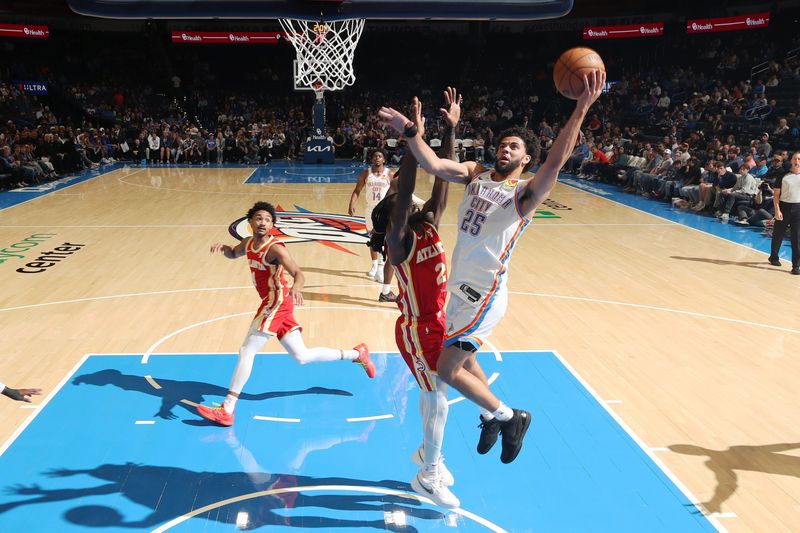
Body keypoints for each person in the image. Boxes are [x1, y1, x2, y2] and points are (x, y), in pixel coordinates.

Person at [379, 70, 605, 465]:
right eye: (502, 144)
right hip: (459, 289)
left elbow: (557, 158)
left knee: (447, 368)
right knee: (466, 361)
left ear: (526, 158)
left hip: (483, 293)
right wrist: (415, 131)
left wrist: (582, 108)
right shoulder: (474, 173)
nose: (505, 149)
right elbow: (432, 163)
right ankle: (491, 417)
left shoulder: (525, 193)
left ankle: (509, 416)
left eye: (514, 147)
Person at [196, 202, 375, 426]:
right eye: (259, 218)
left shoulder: (275, 248)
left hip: (277, 301)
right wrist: (224, 249)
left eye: (268, 220)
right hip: (276, 303)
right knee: (302, 356)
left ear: (272, 225)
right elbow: (234, 253)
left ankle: (228, 408)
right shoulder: (248, 243)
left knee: (246, 350)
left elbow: (298, 273)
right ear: (250, 222)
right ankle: (357, 354)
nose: (263, 222)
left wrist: (297, 288)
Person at [369, 89, 458, 508]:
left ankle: (428, 455)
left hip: (440, 322)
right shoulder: (399, 240)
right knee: (438, 398)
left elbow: (442, 178)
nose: (410, 203)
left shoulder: (430, 225)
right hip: (417, 329)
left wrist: (447, 132)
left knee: (437, 397)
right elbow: (405, 192)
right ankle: (428, 474)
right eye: (400, 206)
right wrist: (409, 139)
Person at [348, 149, 396, 299]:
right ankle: (374, 265)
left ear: (384, 160)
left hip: (385, 210)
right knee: (372, 239)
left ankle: (381, 268)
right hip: (370, 210)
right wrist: (351, 203)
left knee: (383, 240)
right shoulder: (365, 174)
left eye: (380, 156)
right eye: (375, 156)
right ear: (372, 159)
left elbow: (397, 191)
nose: (377, 158)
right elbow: (357, 191)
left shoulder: (389, 174)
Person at [768, 151, 800, 275]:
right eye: (795, 159)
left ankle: (796, 265)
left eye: (799, 159)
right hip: (784, 207)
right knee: (778, 235)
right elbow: (776, 195)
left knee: (797, 238)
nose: (797, 161)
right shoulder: (782, 174)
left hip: (798, 209)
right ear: (791, 160)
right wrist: (777, 210)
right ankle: (773, 257)